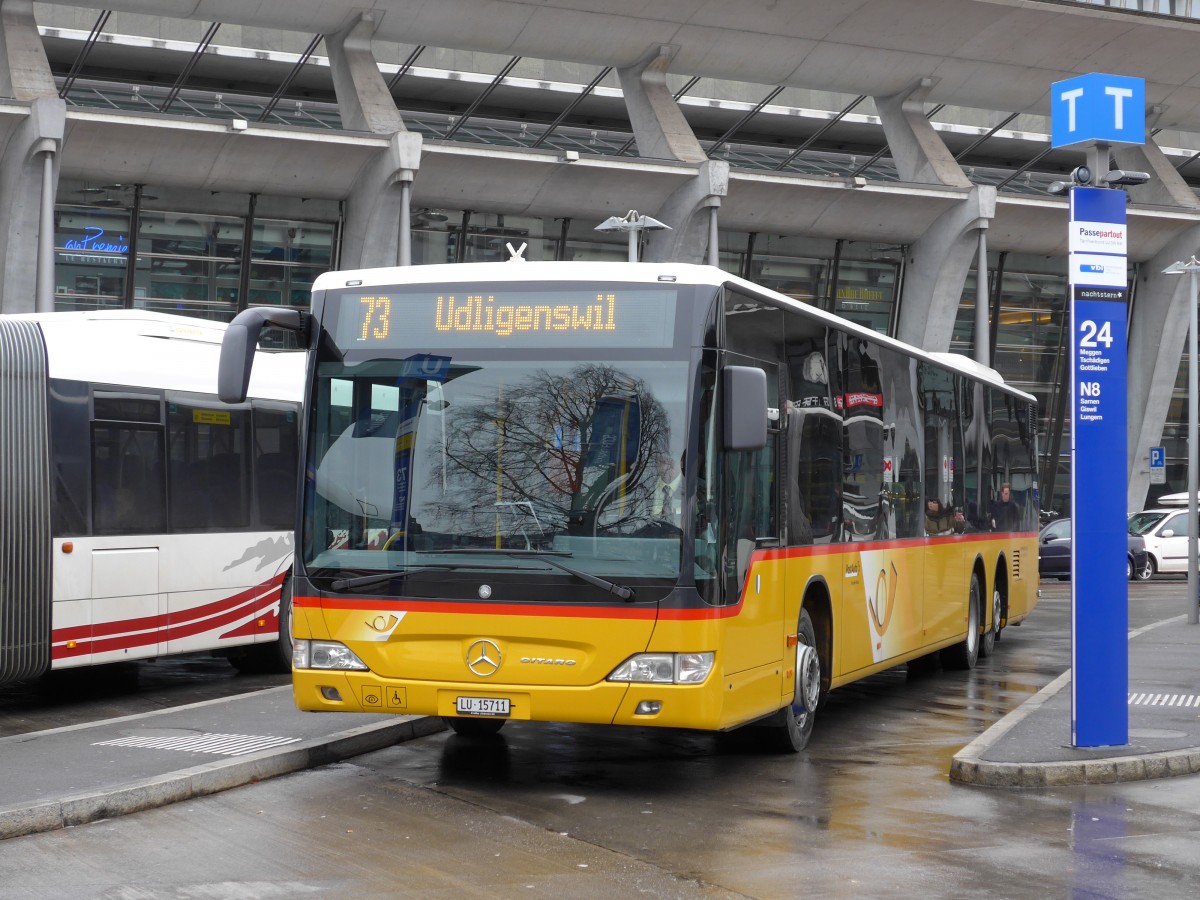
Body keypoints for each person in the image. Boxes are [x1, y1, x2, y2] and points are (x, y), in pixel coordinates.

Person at [651, 453, 682, 523]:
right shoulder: (648, 484)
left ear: (680, 464)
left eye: (670, 464)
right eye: (661, 462)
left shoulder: (692, 487)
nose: (664, 467)